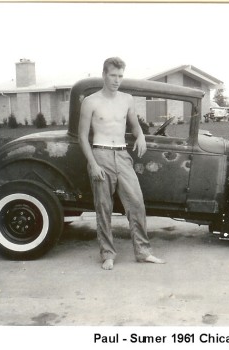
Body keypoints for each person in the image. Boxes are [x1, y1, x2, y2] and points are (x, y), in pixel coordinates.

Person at [78, 57, 165, 270]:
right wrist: (93, 164)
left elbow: (135, 126)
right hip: (101, 154)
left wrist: (141, 136)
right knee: (104, 207)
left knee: (136, 203)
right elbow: (81, 137)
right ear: (104, 75)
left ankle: (143, 252)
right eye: (113, 75)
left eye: (120, 76)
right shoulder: (90, 101)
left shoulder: (127, 99)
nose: (117, 80)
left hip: (123, 155)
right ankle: (107, 254)